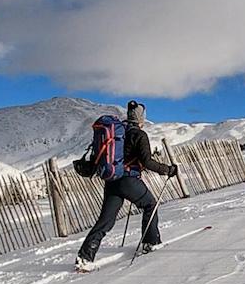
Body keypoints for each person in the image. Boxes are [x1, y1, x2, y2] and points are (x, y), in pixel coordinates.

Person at [75, 100, 178, 271]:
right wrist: (167, 170)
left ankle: (84, 257)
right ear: (140, 119)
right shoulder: (139, 135)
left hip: (111, 181)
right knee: (150, 204)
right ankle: (150, 242)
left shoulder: (117, 133)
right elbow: (147, 161)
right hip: (128, 180)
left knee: (105, 221)